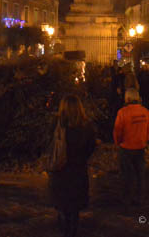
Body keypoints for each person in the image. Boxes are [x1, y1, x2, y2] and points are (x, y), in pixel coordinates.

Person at [48, 95, 97, 237]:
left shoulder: (56, 124)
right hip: (78, 170)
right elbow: (91, 147)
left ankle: (64, 228)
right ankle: (72, 231)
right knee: (74, 207)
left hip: (60, 170)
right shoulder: (86, 126)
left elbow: (49, 143)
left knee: (62, 205)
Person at [113, 87, 149, 210]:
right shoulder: (146, 112)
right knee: (140, 174)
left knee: (127, 174)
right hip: (140, 147)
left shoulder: (122, 112)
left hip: (126, 147)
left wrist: (118, 142)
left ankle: (126, 198)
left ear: (128, 99)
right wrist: (143, 139)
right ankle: (140, 197)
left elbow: (117, 131)